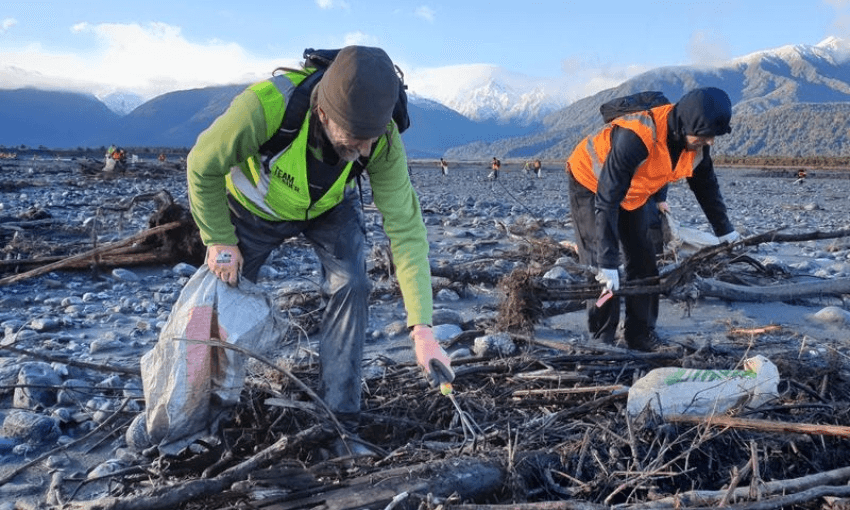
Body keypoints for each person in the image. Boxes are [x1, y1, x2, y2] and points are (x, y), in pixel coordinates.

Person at [186, 46, 453, 451]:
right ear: (324, 115)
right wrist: (218, 239)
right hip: (254, 208)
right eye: (355, 141)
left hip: (329, 207)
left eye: (371, 140)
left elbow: (406, 227)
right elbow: (202, 165)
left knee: (353, 285)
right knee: (222, 300)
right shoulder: (267, 107)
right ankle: (199, 418)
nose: (365, 151)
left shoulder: (382, 137)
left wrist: (423, 329)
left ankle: (339, 424)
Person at [565, 87, 740, 351]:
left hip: (636, 190)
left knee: (644, 261)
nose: (711, 142)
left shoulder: (695, 144)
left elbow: (706, 186)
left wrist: (724, 230)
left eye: (713, 136)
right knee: (601, 267)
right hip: (591, 183)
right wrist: (608, 261)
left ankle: (640, 333)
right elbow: (607, 200)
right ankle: (602, 337)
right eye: (705, 135)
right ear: (685, 125)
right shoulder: (636, 136)